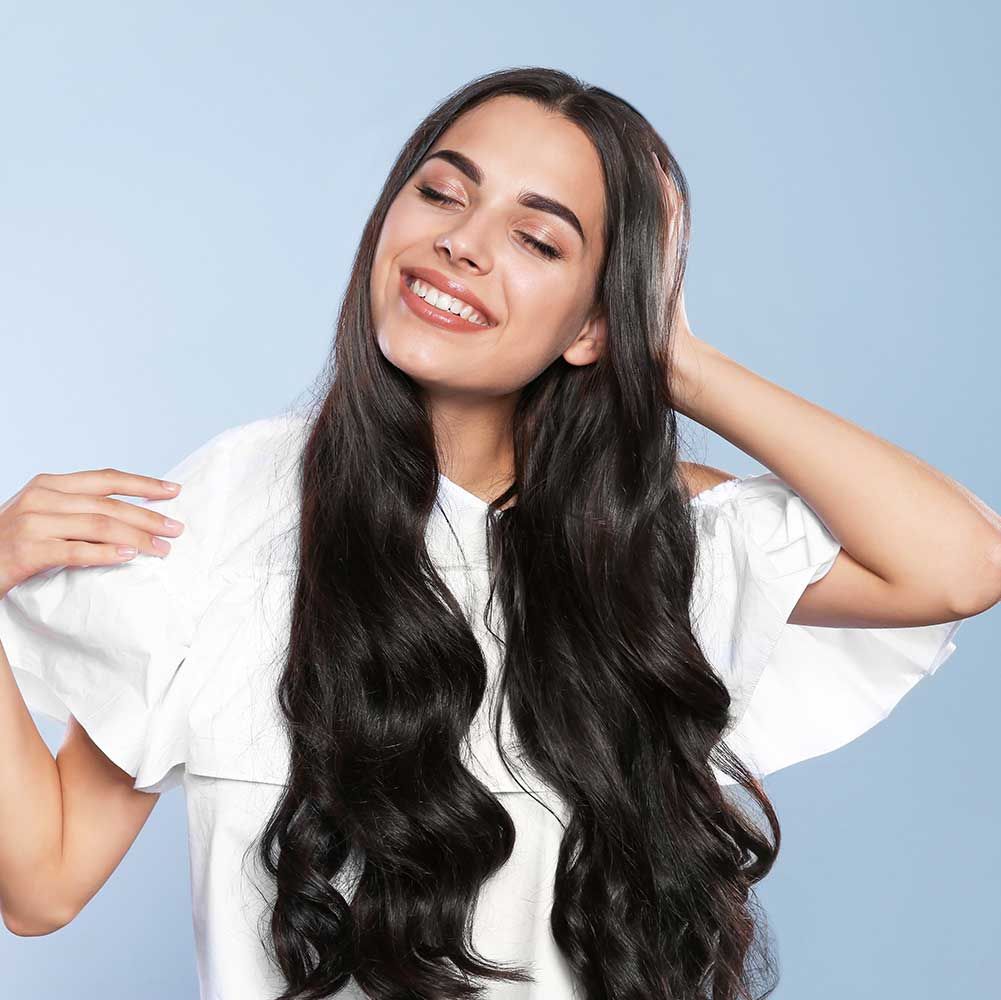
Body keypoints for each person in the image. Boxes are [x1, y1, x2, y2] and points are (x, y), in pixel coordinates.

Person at [0, 66, 994, 1000]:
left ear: (592, 323)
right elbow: (40, 883)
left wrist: (671, 358)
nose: (463, 243)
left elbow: (956, 564)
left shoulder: (656, 533)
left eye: (539, 240)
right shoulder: (231, 508)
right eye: (441, 193)